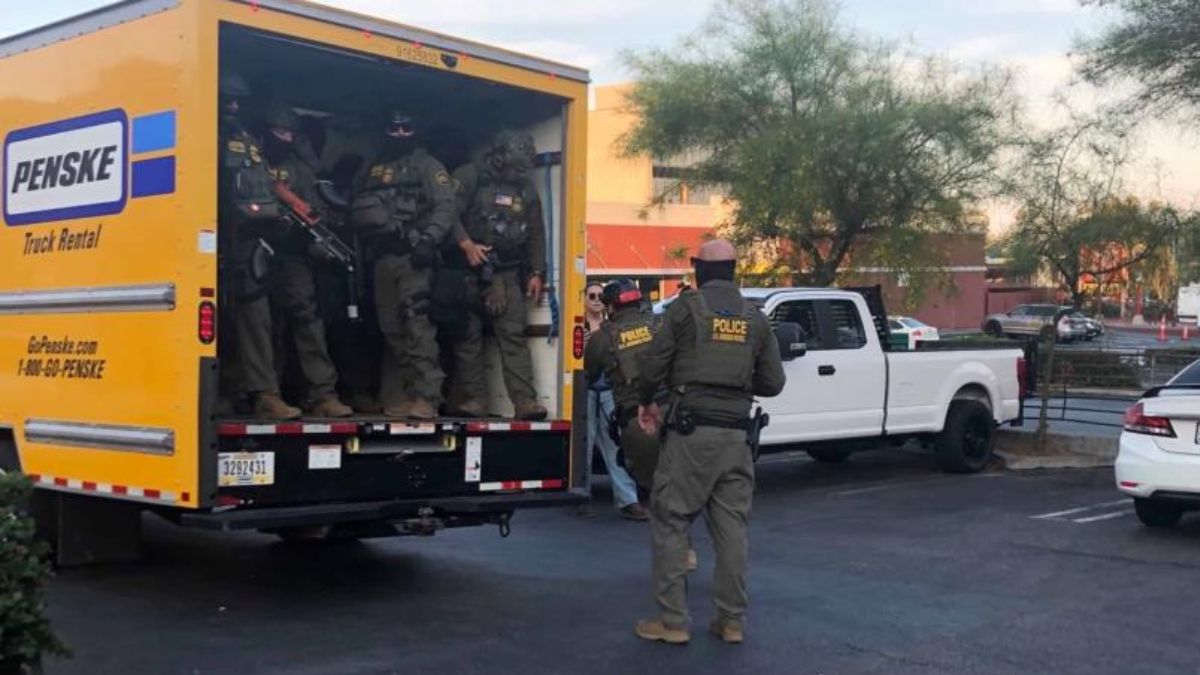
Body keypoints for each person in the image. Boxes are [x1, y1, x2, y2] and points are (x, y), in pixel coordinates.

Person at [633, 239, 786, 646]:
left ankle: (672, 622)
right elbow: (774, 382)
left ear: (698, 268)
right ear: (734, 269)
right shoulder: (755, 318)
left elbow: (654, 365)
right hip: (737, 437)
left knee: (671, 521)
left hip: (690, 435)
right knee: (732, 529)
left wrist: (647, 401)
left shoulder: (684, 310)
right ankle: (731, 621)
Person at [217, 77, 350, 420]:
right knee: (254, 321)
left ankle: (323, 393)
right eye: (280, 132)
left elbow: (317, 208)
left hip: (291, 251)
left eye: (291, 134)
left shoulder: (297, 166)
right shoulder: (240, 149)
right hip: (249, 246)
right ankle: (258, 392)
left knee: (306, 316)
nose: (286, 139)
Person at [350, 111, 457, 419]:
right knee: (391, 328)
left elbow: (445, 206)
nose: (399, 134)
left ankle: (428, 397)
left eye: (405, 128)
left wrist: (429, 240)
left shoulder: (427, 165)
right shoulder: (373, 166)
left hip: (413, 258)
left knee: (417, 326)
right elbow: (355, 206)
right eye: (393, 128)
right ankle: (413, 393)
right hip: (381, 259)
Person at [446, 131, 548, 421]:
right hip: (468, 271)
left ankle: (525, 402)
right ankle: (474, 400)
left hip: (507, 271)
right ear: (499, 157)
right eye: (516, 168)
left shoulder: (525, 189)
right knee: (467, 338)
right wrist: (466, 245)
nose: (519, 174)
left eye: (523, 169)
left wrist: (537, 272)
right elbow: (447, 213)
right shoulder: (469, 176)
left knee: (513, 337)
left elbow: (536, 232)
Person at [581, 282, 647, 521]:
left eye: (601, 296)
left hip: (610, 390)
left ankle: (628, 500)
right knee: (584, 446)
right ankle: (581, 497)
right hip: (586, 391)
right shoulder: (578, 325)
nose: (597, 300)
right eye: (592, 296)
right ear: (584, 299)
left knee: (616, 444)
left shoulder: (612, 329)